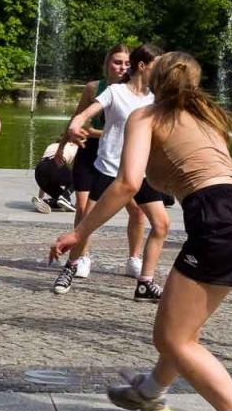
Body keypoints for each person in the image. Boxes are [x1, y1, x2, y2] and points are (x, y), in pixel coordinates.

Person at [51, 52, 232, 411]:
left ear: (152, 77)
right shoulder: (207, 117)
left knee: (172, 336)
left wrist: (79, 231)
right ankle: (149, 393)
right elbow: (228, 184)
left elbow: (128, 183)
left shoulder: (146, 116)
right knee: (184, 329)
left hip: (220, 219)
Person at [57, 44, 172, 300]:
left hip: (142, 171)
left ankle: (145, 282)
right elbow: (83, 115)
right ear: (142, 66)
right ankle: (70, 268)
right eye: (157, 65)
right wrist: (74, 128)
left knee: (162, 224)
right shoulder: (115, 92)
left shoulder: (156, 97)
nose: (161, 70)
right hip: (110, 169)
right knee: (87, 223)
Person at [62, 45, 145, 280]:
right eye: (117, 62)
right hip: (90, 152)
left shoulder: (138, 91)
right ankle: (83, 256)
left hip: (122, 153)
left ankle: (134, 259)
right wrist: (61, 147)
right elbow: (78, 119)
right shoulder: (94, 88)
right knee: (84, 208)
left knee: (137, 210)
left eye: (127, 63)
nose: (122, 67)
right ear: (107, 63)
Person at [33, 140, 78, 213]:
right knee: (78, 177)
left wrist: (40, 197)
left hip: (39, 171)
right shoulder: (75, 147)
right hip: (56, 166)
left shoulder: (51, 145)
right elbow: (78, 174)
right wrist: (78, 204)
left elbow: (46, 170)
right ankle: (65, 197)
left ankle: (44, 202)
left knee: (63, 201)